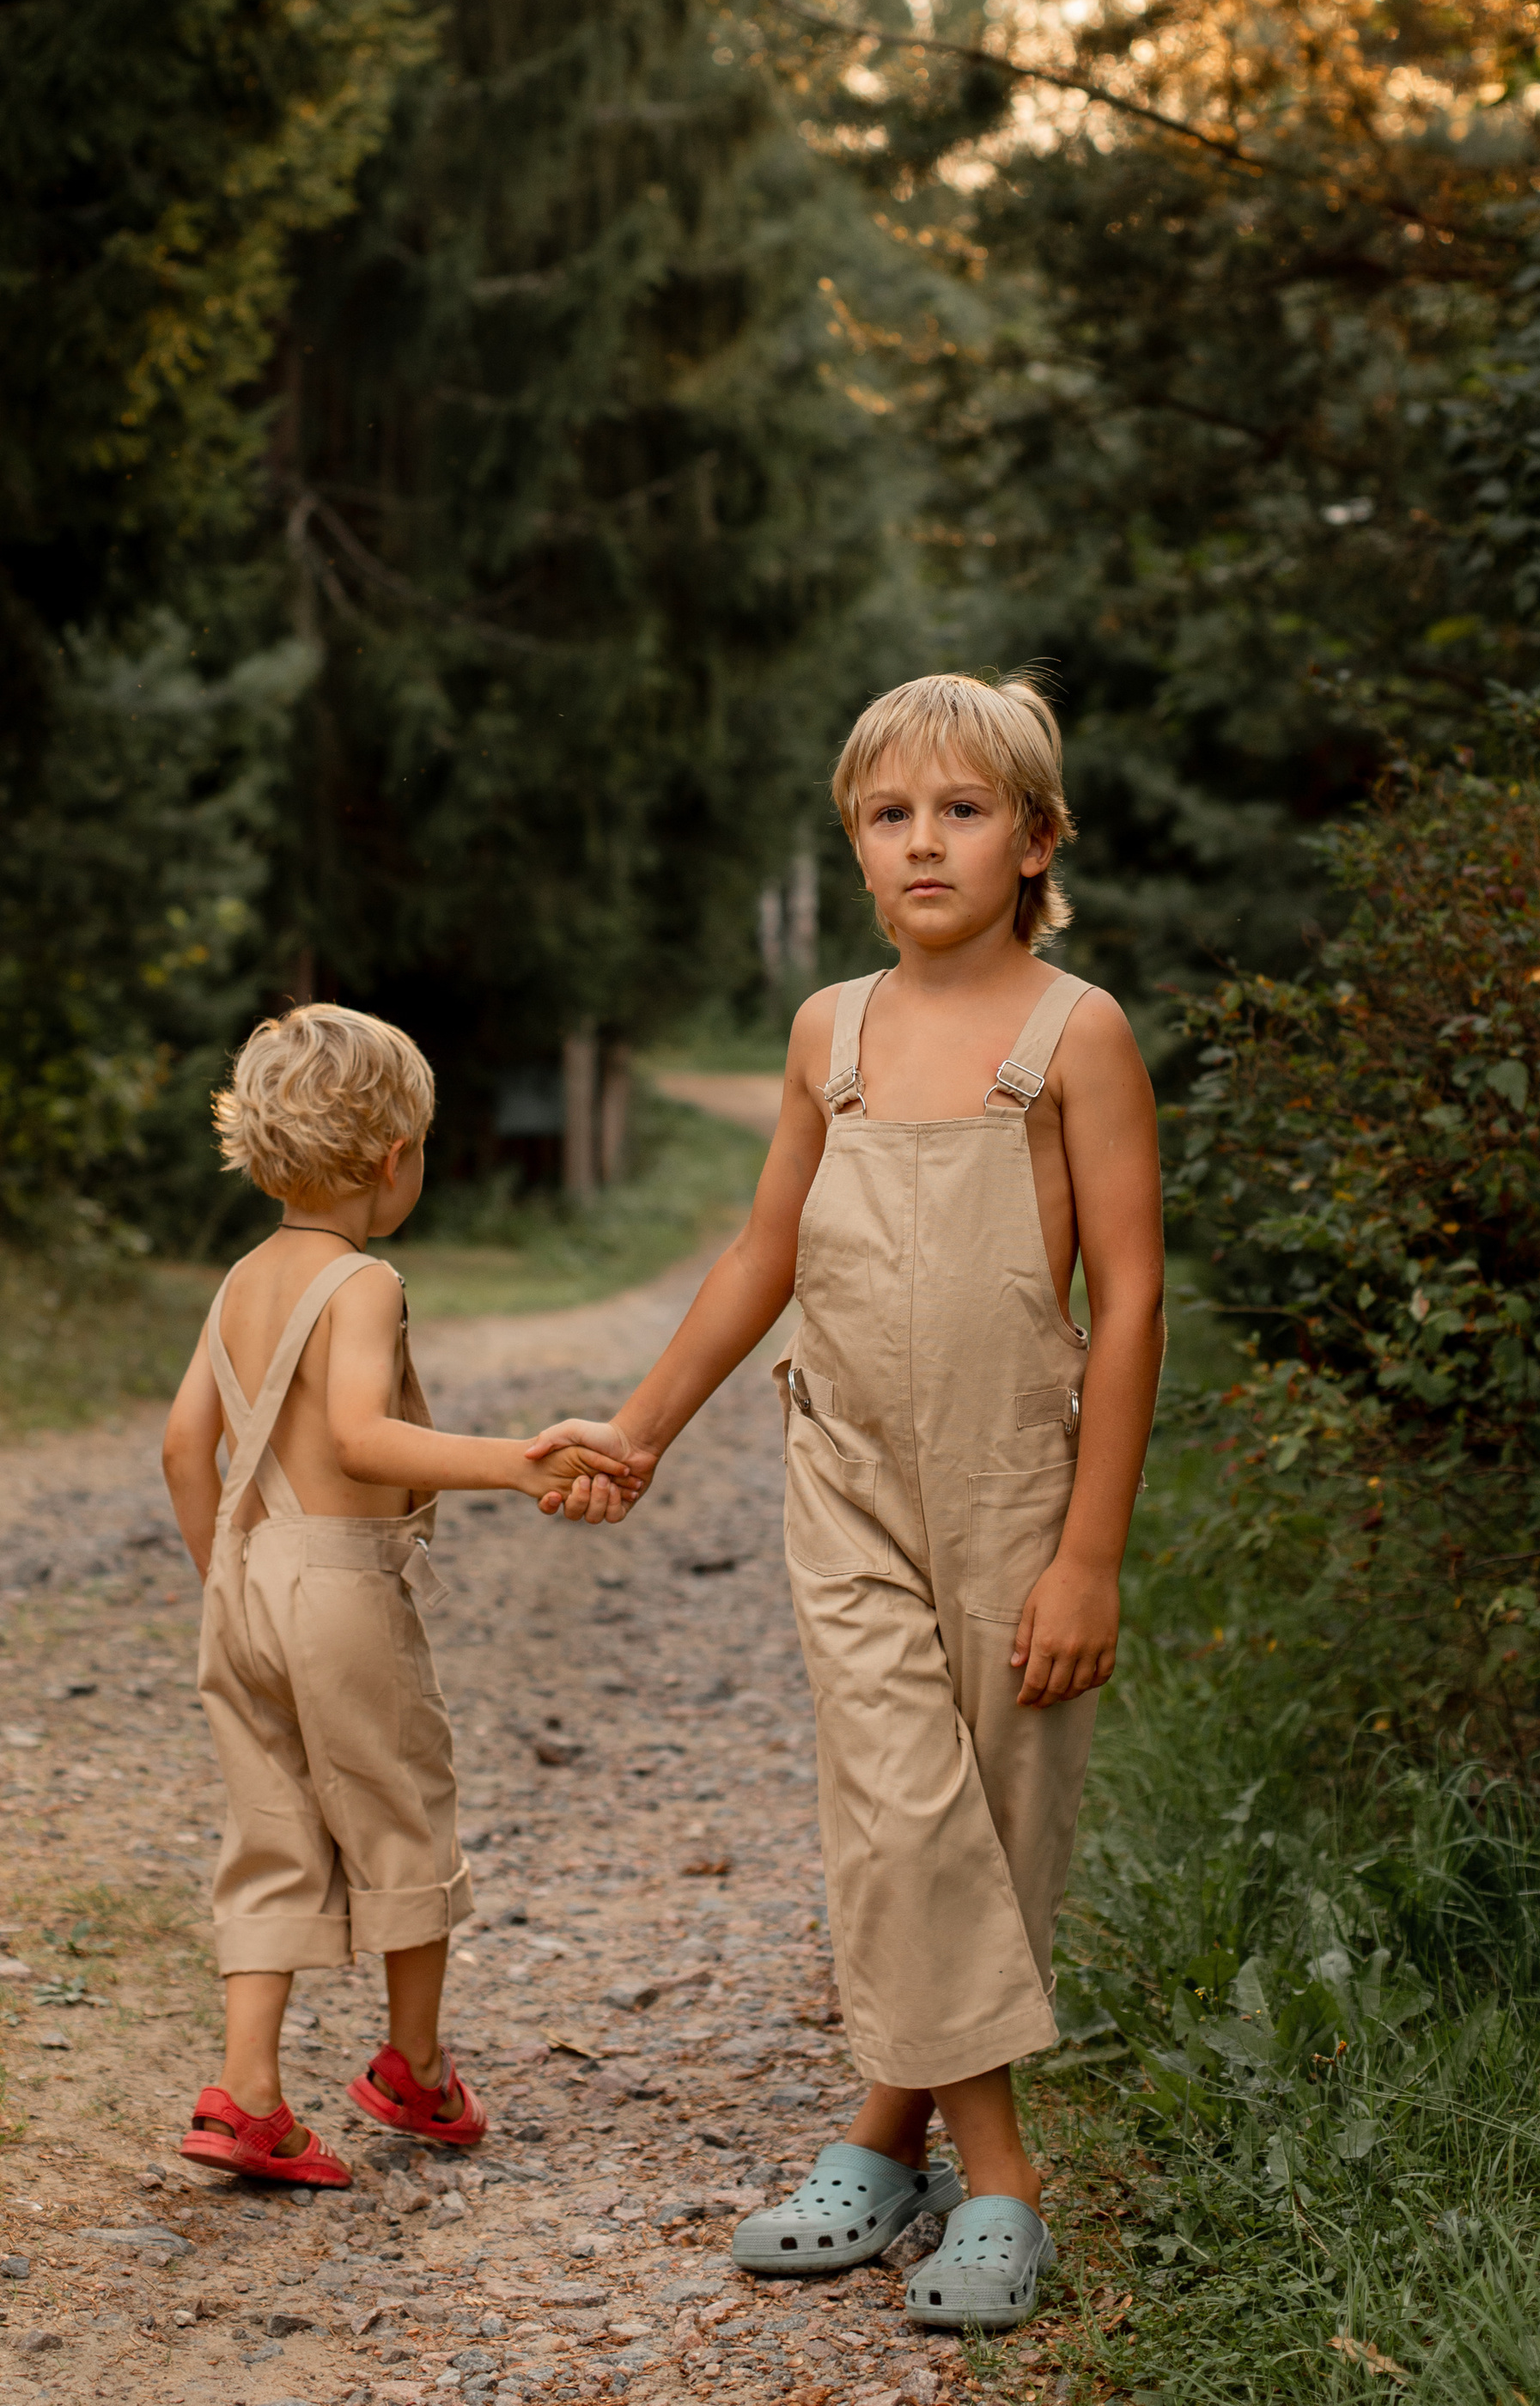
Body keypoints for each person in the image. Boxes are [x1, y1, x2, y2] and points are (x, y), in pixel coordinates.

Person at [527, 673, 1165, 2329]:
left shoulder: (1076, 1034)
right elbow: (765, 1252)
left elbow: (1137, 1295)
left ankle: (886, 2138)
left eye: (963, 811)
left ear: (1037, 839)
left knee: (997, 1821)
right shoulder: (831, 1031)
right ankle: (1005, 2186)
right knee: (897, 1802)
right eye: (892, 816)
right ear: (854, 846)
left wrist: (1090, 1551)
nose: (925, 841)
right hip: (853, 1476)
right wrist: (649, 1428)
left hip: (1022, 1486)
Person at [161, 1002, 636, 2187]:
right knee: (403, 1810)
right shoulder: (360, 1283)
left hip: (246, 1579)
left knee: (270, 1829)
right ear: (394, 1159)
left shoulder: (239, 1282)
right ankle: (412, 2068)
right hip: (338, 1587)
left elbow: (183, 1447)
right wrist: (518, 1464)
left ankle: (249, 2094)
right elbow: (362, 1439)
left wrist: (226, 1572)